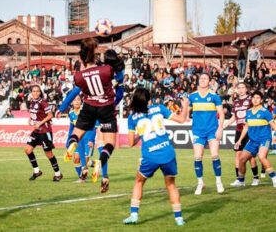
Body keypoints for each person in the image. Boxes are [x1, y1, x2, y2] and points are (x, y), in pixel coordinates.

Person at [59, 39, 124, 193]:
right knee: (109, 144)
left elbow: (74, 91)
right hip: (106, 108)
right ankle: (100, 162)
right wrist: (115, 62)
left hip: (88, 108)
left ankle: (72, 144)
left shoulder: (79, 77)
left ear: (82, 60)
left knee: (76, 133)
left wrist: (62, 107)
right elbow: (119, 78)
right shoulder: (107, 70)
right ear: (95, 57)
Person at [123, 88, 189, 226]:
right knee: (171, 185)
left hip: (150, 156)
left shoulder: (132, 118)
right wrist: (186, 105)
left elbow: (130, 143)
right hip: (167, 153)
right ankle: (179, 219)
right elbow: (182, 119)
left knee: (139, 181)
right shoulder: (159, 108)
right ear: (149, 100)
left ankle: (134, 215)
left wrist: (140, 135)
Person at [188, 72, 225, 195]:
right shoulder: (192, 96)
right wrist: (185, 116)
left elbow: (222, 114)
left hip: (212, 131)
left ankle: (218, 181)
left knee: (214, 156)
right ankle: (200, 183)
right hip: (198, 131)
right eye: (201, 78)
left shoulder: (214, 96)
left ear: (209, 82)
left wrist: (220, 129)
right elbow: (186, 112)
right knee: (198, 157)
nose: (203, 80)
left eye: (205, 78)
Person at [234, 91, 276, 187]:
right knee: (241, 159)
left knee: (261, 157)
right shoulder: (248, 112)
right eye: (253, 98)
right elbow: (246, 127)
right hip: (253, 141)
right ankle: (241, 181)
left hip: (264, 140)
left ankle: (274, 178)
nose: (255, 99)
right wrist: (240, 140)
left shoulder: (265, 112)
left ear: (261, 100)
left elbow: (273, 125)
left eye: (257, 98)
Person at [223, 83, 260, 186]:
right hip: (239, 130)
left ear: (246, 89)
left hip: (250, 130)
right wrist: (224, 126)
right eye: (239, 88)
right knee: (238, 154)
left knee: (250, 155)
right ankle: (240, 180)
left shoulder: (250, 100)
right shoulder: (236, 102)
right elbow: (234, 117)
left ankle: (256, 178)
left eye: (243, 87)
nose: (241, 89)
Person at [24, 85, 63, 182]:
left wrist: (40, 123)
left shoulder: (43, 102)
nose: (36, 93)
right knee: (28, 149)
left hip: (45, 131)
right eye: (34, 91)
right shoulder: (32, 101)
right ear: (31, 92)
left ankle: (58, 174)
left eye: (37, 91)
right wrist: (30, 118)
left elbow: (50, 115)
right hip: (37, 131)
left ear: (40, 92)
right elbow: (35, 114)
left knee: (49, 154)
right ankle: (37, 171)